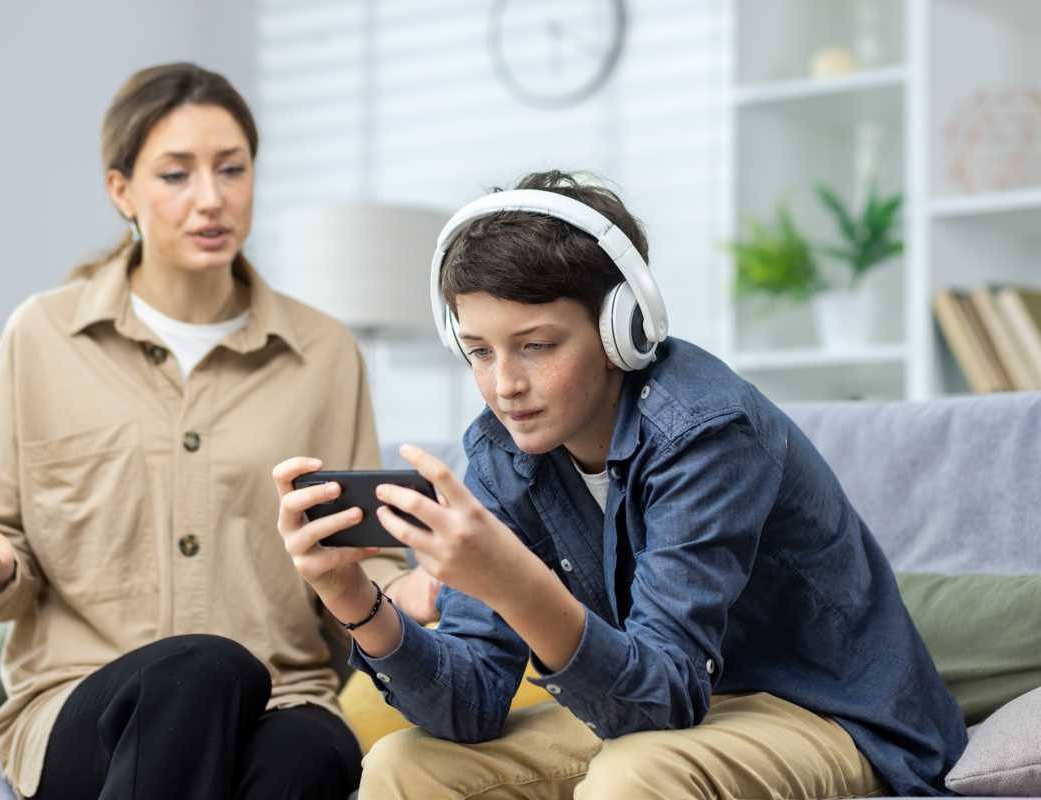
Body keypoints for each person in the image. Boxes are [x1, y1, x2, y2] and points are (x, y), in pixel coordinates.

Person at [274, 170, 968, 799]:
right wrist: (352, 598)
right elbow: (475, 704)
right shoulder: (497, 451)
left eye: (537, 345)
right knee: (402, 765)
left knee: (633, 776)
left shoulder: (707, 431)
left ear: (623, 330)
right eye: (479, 351)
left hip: (821, 711)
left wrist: (510, 580)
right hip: (669, 710)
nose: (504, 385)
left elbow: (663, 699)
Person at [0, 62, 437, 800]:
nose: (211, 199)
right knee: (204, 670)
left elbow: (350, 557)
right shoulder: (42, 337)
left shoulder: (325, 355)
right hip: (83, 706)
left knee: (311, 754)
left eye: (232, 169)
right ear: (121, 191)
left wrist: (407, 592)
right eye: (176, 175)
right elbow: (0, 561)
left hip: (285, 695)